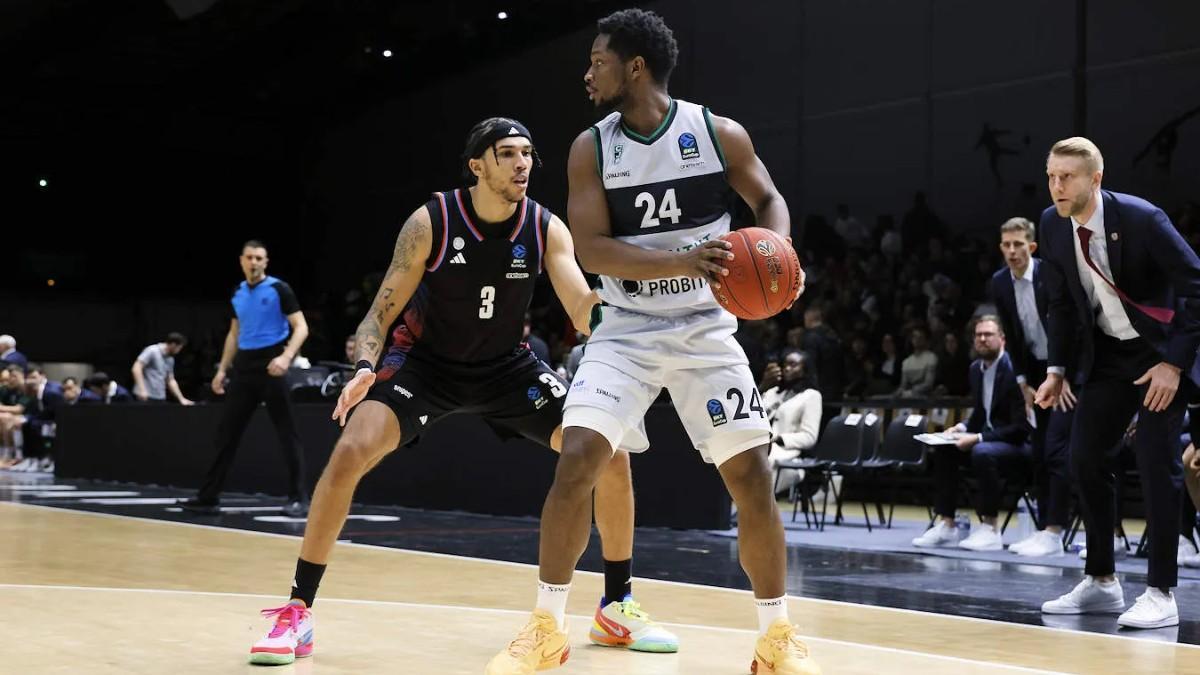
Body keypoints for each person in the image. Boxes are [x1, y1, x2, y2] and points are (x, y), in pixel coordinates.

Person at [246, 117, 675, 666]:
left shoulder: (546, 227)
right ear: (477, 165)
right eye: (507, 154)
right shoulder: (432, 222)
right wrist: (363, 367)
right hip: (425, 365)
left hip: (508, 368)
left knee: (609, 451)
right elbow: (380, 312)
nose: (523, 164)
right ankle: (297, 613)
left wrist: (621, 320)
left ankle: (616, 605)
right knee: (351, 450)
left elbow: (577, 302)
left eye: (527, 154)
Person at [488, 10, 818, 675]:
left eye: (598, 61)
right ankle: (545, 626)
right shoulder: (592, 147)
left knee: (751, 476)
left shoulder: (716, 132)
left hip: (704, 329)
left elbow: (770, 198)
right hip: (627, 328)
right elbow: (591, 248)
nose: (587, 73)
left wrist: (779, 252)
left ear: (634, 67)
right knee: (578, 456)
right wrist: (685, 259)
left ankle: (776, 638)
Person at [1035, 137, 1200, 629]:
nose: (1057, 186)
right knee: (1083, 458)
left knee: (1155, 460)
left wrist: (1174, 364)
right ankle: (1103, 582)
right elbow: (1062, 304)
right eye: (1051, 176)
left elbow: (1196, 285)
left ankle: (1161, 592)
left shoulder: (1142, 219)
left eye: (1068, 177)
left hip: (1160, 351)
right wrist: (1056, 369)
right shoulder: (1050, 223)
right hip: (1109, 354)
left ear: (1096, 179)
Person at [178, 241, 310, 518]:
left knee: (287, 433)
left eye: (259, 258)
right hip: (244, 367)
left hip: (272, 363)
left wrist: (286, 357)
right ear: (241, 261)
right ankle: (208, 498)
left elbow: (301, 327)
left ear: (266, 261)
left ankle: (299, 499)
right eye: (249, 257)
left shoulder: (279, 288)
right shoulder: (237, 292)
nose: (254, 262)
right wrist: (222, 370)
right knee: (226, 435)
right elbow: (234, 334)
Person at [989, 217, 1075, 557]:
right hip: (1035, 372)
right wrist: (1024, 382)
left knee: (1056, 450)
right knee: (1039, 451)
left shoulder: (1050, 274)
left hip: (1066, 370)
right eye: (1006, 245)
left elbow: (1072, 327)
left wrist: (1064, 373)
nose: (1012, 251)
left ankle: (1056, 531)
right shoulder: (999, 283)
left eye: (1018, 245)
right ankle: (1043, 530)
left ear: (1032, 247)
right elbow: (1012, 334)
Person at [911, 316, 1031, 551]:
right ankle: (947, 524)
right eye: (978, 335)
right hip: (987, 441)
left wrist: (977, 437)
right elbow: (980, 414)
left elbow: (1021, 428)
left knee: (982, 452)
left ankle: (990, 528)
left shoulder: (1016, 371)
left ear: (1002, 339)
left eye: (988, 334)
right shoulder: (975, 370)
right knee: (945, 447)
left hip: (1019, 445)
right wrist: (962, 428)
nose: (983, 339)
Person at [760, 350, 822, 496]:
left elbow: (809, 437)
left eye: (793, 365)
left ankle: (747, 510)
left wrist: (779, 439)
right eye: (785, 364)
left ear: (805, 369)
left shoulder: (811, 396)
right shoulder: (772, 391)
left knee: (764, 462)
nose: (787, 368)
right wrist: (762, 386)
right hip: (759, 444)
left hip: (787, 453)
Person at [131, 332, 194, 405]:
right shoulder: (152, 350)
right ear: (173, 345)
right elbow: (136, 368)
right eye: (179, 348)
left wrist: (181, 399)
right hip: (145, 396)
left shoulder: (170, 359)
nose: (179, 351)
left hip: (160, 397)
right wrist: (142, 389)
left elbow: (170, 380)